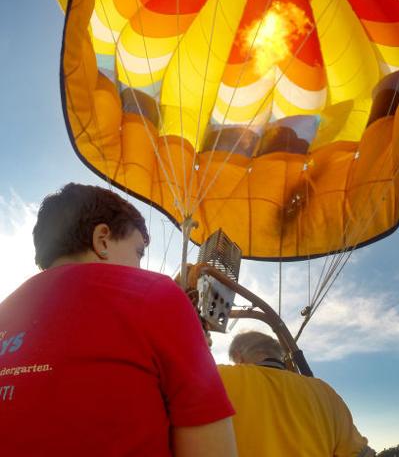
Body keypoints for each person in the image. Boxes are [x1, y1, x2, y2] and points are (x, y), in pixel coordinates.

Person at [0, 183, 237, 457]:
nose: (139, 266)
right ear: (102, 240)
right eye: (137, 252)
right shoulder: (155, 294)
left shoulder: (6, 311)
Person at [218, 330, 373, 457]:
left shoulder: (221, 377)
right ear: (277, 354)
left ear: (238, 357)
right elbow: (361, 454)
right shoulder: (324, 391)